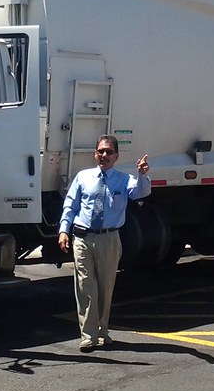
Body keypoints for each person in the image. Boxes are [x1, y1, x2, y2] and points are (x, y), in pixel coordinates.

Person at [58, 135, 151, 352]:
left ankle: (102, 330)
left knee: (105, 287)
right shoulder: (83, 177)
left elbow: (140, 193)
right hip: (83, 238)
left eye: (109, 152)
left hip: (109, 239)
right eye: (101, 151)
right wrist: (64, 230)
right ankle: (88, 336)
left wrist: (142, 174)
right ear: (95, 154)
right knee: (85, 286)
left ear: (116, 157)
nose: (104, 155)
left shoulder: (124, 179)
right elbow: (70, 205)